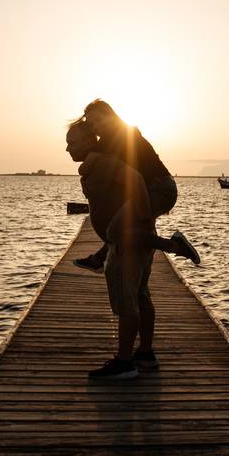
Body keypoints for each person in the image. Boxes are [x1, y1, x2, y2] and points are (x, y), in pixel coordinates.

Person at [65, 119, 164, 380]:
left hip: (126, 243)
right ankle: (144, 354)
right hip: (133, 239)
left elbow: (136, 180)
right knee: (140, 294)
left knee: (126, 300)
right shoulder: (97, 164)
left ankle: (124, 363)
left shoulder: (103, 162)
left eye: (72, 142)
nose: (67, 149)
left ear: (89, 140)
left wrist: (139, 218)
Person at [73, 99, 199, 272]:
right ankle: (99, 259)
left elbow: (87, 164)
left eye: (99, 121)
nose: (96, 127)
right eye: (92, 124)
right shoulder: (107, 140)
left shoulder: (126, 133)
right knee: (121, 230)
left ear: (110, 116)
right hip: (149, 190)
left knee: (118, 229)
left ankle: (175, 246)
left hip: (161, 189)